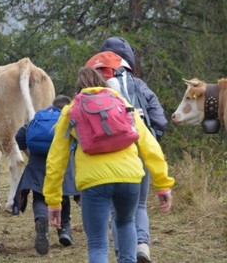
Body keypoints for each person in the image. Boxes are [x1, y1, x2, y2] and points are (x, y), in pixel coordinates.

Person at [44, 67, 174, 263]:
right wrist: (163, 184)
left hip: (93, 182)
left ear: (78, 89)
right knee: (126, 223)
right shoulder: (122, 103)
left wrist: (54, 201)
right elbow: (149, 144)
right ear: (104, 83)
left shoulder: (71, 111)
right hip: (130, 178)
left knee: (97, 242)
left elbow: (56, 159)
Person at [98, 36, 168, 262]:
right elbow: (160, 120)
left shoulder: (95, 85)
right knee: (139, 204)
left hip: (110, 154)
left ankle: (122, 255)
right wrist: (149, 139)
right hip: (139, 148)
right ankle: (142, 246)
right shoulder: (140, 85)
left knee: (115, 210)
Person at [14, 95, 79, 255]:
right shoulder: (69, 117)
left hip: (37, 162)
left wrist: (27, 151)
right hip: (62, 162)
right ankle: (64, 230)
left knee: (39, 196)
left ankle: (41, 219)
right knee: (63, 196)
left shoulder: (40, 116)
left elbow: (19, 135)